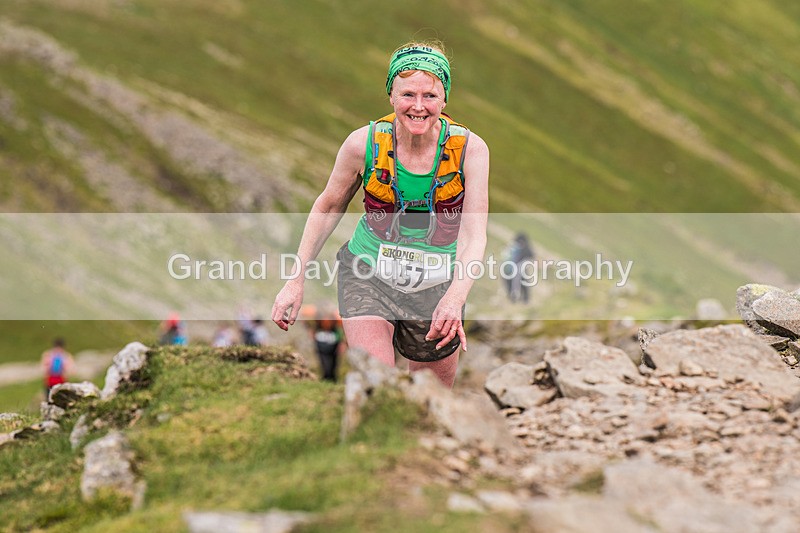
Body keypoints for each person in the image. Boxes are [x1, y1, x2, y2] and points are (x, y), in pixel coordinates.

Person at [272, 42, 490, 388]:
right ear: (391, 95)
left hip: (438, 284)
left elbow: (474, 235)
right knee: (378, 384)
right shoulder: (363, 144)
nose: (418, 107)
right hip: (368, 272)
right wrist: (295, 280)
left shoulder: (470, 151)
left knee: (430, 400)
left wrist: (455, 297)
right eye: (407, 95)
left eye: (430, 96)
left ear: (445, 99)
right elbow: (328, 206)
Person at [302, 303, 346, 382]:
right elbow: (305, 320)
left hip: (333, 346)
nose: (327, 323)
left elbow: (342, 332)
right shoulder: (314, 317)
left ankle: (333, 381)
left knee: (334, 365)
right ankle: (325, 379)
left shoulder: (337, 320)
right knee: (325, 365)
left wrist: (342, 343)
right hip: (321, 346)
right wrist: (311, 331)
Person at [502, 232, 535, 303]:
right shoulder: (524, 247)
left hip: (510, 269)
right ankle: (524, 298)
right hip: (517, 269)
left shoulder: (513, 246)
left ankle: (515, 298)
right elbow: (531, 256)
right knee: (523, 283)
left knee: (512, 283)